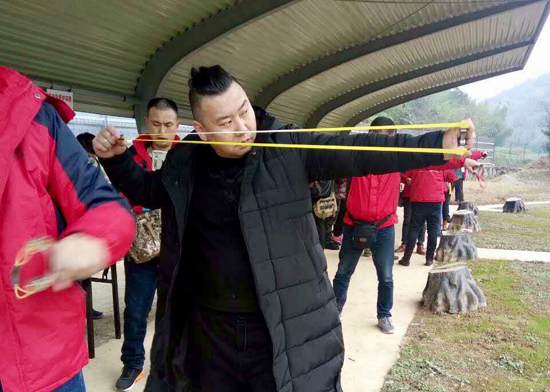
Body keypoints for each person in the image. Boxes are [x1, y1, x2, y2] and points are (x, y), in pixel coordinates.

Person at [93, 65, 475, 392]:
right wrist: (118, 160)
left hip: (280, 325)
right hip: (209, 331)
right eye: (226, 123)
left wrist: (436, 145)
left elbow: (359, 150)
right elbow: (152, 190)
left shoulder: (286, 144)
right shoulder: (187, 157)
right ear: (202, 130)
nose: (243, 127)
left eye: (244, 112)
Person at [0, 67, 135, 392]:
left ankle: (134, 363)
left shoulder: (34, 116)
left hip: (41, 357)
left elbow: (112, 202)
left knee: (139, 306)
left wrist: (89, 240)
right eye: (155, 123)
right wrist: (118, 161)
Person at [113, 98, 180, 391]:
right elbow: (117, 192)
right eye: (156, 123)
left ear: (177, 125)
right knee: (137, 308)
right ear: (147, 121)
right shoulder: (130, 155)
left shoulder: (189, 155)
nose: (162, 130)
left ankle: (169, 363)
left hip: (177, 249)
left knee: (174, 309)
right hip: (139, 248)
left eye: (168, 124)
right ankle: (133, 363)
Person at [332, 116, 400, 334]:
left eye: (389, 139)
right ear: (370, 136)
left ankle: (384, 315)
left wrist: (463, 157)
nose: (385, 144)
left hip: (384, 226)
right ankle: (334, 312)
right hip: (354, 224)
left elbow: (432, 159)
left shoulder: (399, 159)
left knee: (386, 275)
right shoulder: (355, 156)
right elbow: (329, 157)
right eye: (381, 138)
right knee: (344, 271)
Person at [398, 158, 481, 267]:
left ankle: (406, 258)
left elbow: (402, 174)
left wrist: (409, 180)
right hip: (435, 202)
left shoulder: (416, 164)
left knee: (414, 229)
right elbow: (452, 177)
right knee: (433, 231)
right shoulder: (440, 166)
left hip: (418, 201)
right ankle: (429, 259)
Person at [395, 172, 426, 254]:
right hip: (409, 194)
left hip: (422, 194)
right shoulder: (407, 161)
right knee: (407, 220)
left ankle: (420, 244)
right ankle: (404, 244)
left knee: (422, 220)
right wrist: (406, 179)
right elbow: (399, 172)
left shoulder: (426, 163)